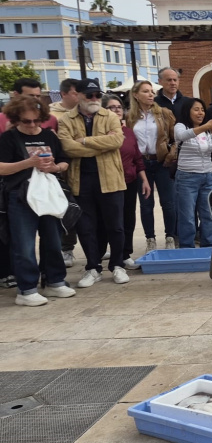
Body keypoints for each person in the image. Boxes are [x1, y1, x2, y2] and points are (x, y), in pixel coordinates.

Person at [0, 96, 74, 306]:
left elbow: (64, 160)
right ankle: (26, 289)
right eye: (26, 121)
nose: (32, 126)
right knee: (23, 244)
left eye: (36, 121)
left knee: (52, 239)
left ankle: (55, 280)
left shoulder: (49, 136)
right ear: (16, 119)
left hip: (48, 192)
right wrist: (29, 163)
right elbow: (2, 168)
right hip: (20, 195)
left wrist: (56, 167)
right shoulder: (8, 138)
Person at [57, 79, 128, 288]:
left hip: (111, 180)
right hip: (81, 180)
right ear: (78, 95)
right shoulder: (66, 120)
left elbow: (116, 141)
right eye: (90, 95)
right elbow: (67, 147)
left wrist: (86, 141)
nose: (95, 99)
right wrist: (102, 143)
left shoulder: (110, 116)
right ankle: (93, 267)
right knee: (86, 227)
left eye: (98, 95)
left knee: (115, 226)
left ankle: (117, 265)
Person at [99, 94, 151, 270]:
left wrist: (144, 180)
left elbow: (137, 158)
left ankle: (125, 254)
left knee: (128, 219)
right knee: (111, 222)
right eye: (111, 108)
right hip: (109, 181)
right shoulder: (100, 132)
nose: (116, 110)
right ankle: (104, 254)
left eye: (119, 107)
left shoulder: (128, 131)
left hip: (130, 180)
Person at [126, 79, 178, 251]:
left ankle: (170, 236)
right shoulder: (130, 117)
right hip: (141, 163)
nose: (150, 94)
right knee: (146, 204)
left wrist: (171, 154)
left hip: (161, 161)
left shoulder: (164, 113)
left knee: (168, 202)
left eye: (151, 91)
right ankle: (150, 239)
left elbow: (174, 137)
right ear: (135, 95)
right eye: (145, 91)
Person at [173, 99, 212, 248]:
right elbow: (182, 136)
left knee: (208, 214)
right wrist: (205, 126)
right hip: (186, 177)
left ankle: (208, 246)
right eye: (196, 109)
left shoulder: (207, 131)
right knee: (187, 216)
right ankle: (187, 247)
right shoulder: (180, 126)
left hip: (207, 176)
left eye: (202, 109)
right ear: (187, 111)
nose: (200, 113)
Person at [46, 78, 81, 267]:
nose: (79, 96)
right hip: (61, 171)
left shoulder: (85, 112)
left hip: (81, 167)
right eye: (76, 93)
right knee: (64, 211)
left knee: (84, 211)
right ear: (64, 94)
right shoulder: (52, 115)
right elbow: (65, 144)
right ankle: (67, 249)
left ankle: (95, 247)